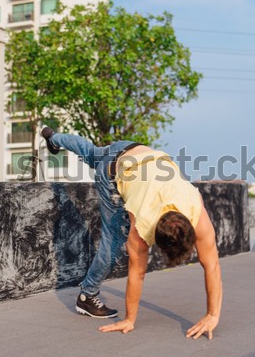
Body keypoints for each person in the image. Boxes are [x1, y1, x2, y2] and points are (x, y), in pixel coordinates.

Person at [41, 127, 222, 339]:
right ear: (155, 238)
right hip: (110, 173)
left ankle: (54, 138)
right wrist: (129, 320)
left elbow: (212, 265)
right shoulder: (142, 226)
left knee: (90, 153)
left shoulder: (193, 204)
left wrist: (212, 315)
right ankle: (86, 296)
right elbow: (137, 273)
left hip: (129, 149)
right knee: (113, 241)